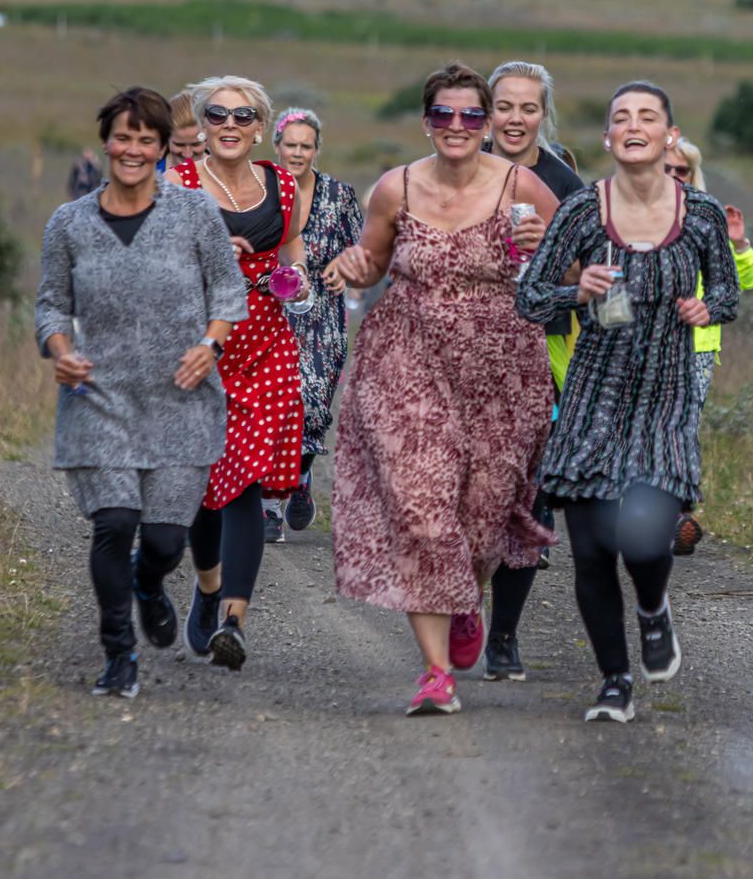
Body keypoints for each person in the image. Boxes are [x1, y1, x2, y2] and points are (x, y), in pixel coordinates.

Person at [330, 62, 559, 716]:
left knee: (481, 517)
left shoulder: (525, 186)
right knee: (422, 510)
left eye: (469, 116)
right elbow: (372, 260)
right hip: (406, 358)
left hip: (504, 370)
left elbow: (573, 267)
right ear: (426, 121)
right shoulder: (394, 187)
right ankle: (435, 673)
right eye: (442, 115)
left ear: (487, 125)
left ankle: (466, 594)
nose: (456, 127)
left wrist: (545, 246)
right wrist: (353, 264)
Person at [517, 81, 740, 724]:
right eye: (621, 118)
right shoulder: (583, 211)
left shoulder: (699, 214)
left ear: (670, 136)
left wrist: (706, 306)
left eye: (648, 117)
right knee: (590, 551)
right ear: (610, 138)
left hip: (665, 398)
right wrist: (575, 291)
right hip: (593, 396)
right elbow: (530, 297)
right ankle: (614, 680)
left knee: (646, 541)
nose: (633, 126)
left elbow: (727, 294)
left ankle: (652, 606)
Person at [35, 88, 245, 698]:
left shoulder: (194, 213)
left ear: (160, 150)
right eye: (122, 137)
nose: (132, 149)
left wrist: (211, 345)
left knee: (163, 541)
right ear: (106, 142)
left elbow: (227, 293)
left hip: (181, 399)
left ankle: (150, 584)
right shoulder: (68, 223)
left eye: (145, 140)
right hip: (99, 399)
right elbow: (51, 304)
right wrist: (60, 350)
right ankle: (118, 655)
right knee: (114, 523)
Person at [167, 75, 309, 672]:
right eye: (217, 115)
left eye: (243, 116)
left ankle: (234, 619)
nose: (230, 125)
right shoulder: (180, 184)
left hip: (268, 344)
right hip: (203, 346)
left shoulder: (282, 183)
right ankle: (206, 589)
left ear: (260, 127)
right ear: (202, 125)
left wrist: (295, 282)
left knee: (246, 482)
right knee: (206, 485)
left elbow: (293, 250)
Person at [481, 59, 586, 682]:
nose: (516, 119)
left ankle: (504, 638)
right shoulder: (459, 167)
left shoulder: (564, 183)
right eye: (505, 106)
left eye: (529, 108)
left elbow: (595, 281)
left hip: (542, 355)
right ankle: (463, 604)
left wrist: (552, 251)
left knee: (527, 501)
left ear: (544, 114)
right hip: (462, 354)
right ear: (486, 112)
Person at [264, 107, 363, 543]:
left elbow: (365, 253)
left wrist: (344, 266)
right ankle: (269, 507)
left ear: (316, 149)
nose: (298, 152)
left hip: (323, 312)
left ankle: (299, 477)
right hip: (269, 309)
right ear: (277, 147)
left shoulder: (340, 196)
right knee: (272, 406)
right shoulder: (259, 189)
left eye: (306, 146)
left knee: (313, 404)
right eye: (291, 145)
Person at [661, 137, 753, 555]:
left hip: (697, 344)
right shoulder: (627, 212)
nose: (672, 177)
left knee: (681, 426)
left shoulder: (705, 215)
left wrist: (738, 244)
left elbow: (740, 284)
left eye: (680, 171)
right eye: (665, 169)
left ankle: (674, 515)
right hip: (640, 341)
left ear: (691, 175)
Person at [167, 91, 207, 171]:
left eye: (196, 144)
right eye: (179, 145)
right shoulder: (150, 171)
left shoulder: (223, 172)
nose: (188, 155)